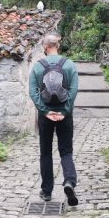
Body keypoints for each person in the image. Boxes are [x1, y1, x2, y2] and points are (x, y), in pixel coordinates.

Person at [29, 32, 79, 206]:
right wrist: (65, 111)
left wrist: (44, 111)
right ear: (58, 45)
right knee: (66, 151)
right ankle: (69, 182)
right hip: (65, 115)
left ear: (45, 46)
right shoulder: (69, 65)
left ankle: (47, 191)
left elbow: (33, 92)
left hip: (45, 116)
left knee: (46, 152)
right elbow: (72, 91)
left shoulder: (37, 66)